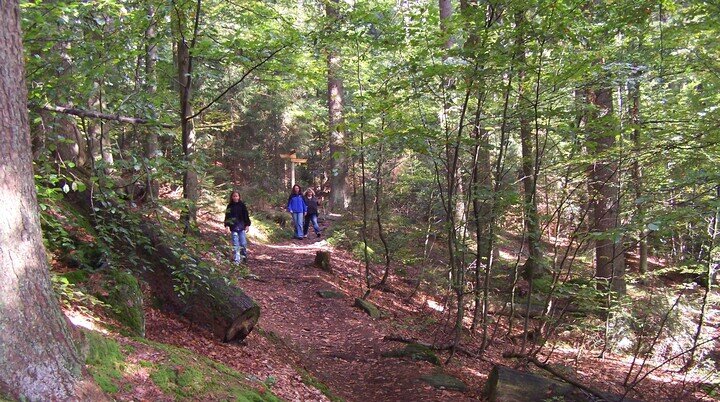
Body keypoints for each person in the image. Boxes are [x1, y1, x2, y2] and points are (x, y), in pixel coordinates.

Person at [224, 190, 251, 264]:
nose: (235, 197)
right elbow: (227, 216)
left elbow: (246, 216)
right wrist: (227, 225)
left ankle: (244, 257)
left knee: (243, 243)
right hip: (233, 228)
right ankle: (237, 260)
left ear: (239, 197)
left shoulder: (242, 205)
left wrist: (247, 225)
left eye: (237, 196)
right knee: (236, 244)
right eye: (234, 196)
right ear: (232, 197)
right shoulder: (229, 206)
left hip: (241, 227)